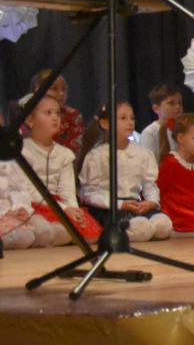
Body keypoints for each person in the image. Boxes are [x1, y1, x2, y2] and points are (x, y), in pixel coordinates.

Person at [78, 101, 174, 242]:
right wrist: (120, 204)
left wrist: (151, 202)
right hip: (109, 208)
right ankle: (132, 230)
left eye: (132, 118)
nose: (130, 122)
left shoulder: (142, 153)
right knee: (138, 226)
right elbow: (90, 193)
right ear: (105, 124)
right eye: (123, 118)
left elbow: (149, 184)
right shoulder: (97, 156)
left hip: (135, 205)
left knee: (163, 224)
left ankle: (143, 228)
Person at [22, 94, 93, 244]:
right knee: (44, 230)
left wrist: (73, 209)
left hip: (60, 206)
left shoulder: (65, 154)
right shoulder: (23, 151)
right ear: (30, 120)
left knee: (88, 234)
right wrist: (63, 209)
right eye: (48, 113)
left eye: (57, 113)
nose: (55, 118)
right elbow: (28, 190)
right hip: (35, 205)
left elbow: (67, 191)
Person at [19, 70, 85, 155]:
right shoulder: (28, 115)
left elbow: (77, 149)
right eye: (54, 89)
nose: (61, 93)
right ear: (38, 90)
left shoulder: (73, 116)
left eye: (64, 89)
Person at [0, 158, 60, 248]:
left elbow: (20, 188)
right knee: (25, 237)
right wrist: (5, 212)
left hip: (14, 209)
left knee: (46, 232)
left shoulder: (10, 159)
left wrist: (21, 208)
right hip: (3, 212)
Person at [138, 82, 183, 164]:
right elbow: (148, 164)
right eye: (171, 103)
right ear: (156, 108)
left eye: (179, 103)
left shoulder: (184, 129)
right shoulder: (150, 133)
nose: (177, 107)